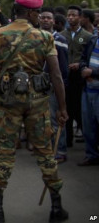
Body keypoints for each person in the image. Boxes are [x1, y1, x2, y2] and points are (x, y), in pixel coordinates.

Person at [0, 0, 68, 222]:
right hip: (37, 101)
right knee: (45, 151)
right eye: (37, 12)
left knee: (5, 152)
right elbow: (55, 74)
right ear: (29, 13)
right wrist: (62, 108)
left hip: (8, 101)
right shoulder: (44, 36)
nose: (39, 15)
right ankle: (57, 207)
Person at [39, 9, 69, 163]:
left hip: (53, 85)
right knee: (43, 120)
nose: (45, 20)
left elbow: (63, 68)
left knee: (56, 118)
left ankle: (60, 150)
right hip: (39, 86)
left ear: (53, 21)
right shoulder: (35, 37)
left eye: (48, 18)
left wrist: (62, 87)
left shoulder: (60, 39)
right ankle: (47, 149)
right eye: (42, 17)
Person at [61, 5, 92, 147]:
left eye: (74, 15)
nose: (71, 17)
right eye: (69, 15)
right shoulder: (61, 35)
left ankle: (86, 137)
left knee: (79, 108)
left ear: (80, 17)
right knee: (65, 107)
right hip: (65, 76)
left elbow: (88, 57)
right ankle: (67, 140)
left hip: (79, 77)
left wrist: (79, 64)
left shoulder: (88, 36)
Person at [78, 29, 99, 166]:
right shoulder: (93, 39)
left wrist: (93, 72)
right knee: (88, 126)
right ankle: (91, 155)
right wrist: (84, 69)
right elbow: (83, 58)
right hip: (88, 89)